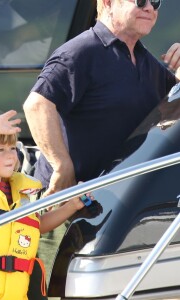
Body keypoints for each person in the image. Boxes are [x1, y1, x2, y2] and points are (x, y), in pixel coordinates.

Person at [23, 0, 180, 285]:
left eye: (155, 1)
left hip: (111, 214)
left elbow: (172, 113)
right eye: (139, 0)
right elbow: (37, 104)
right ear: (107, 3)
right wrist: (62, 165)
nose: (150, 7)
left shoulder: (149, 65)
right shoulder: (81, 51)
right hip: (60, 215)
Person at [0, 110, 93, 300]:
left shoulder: (21, 191)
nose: (10, 155)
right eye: (0, 150)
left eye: (12, 148)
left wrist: (71, 206)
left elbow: (38, 225)